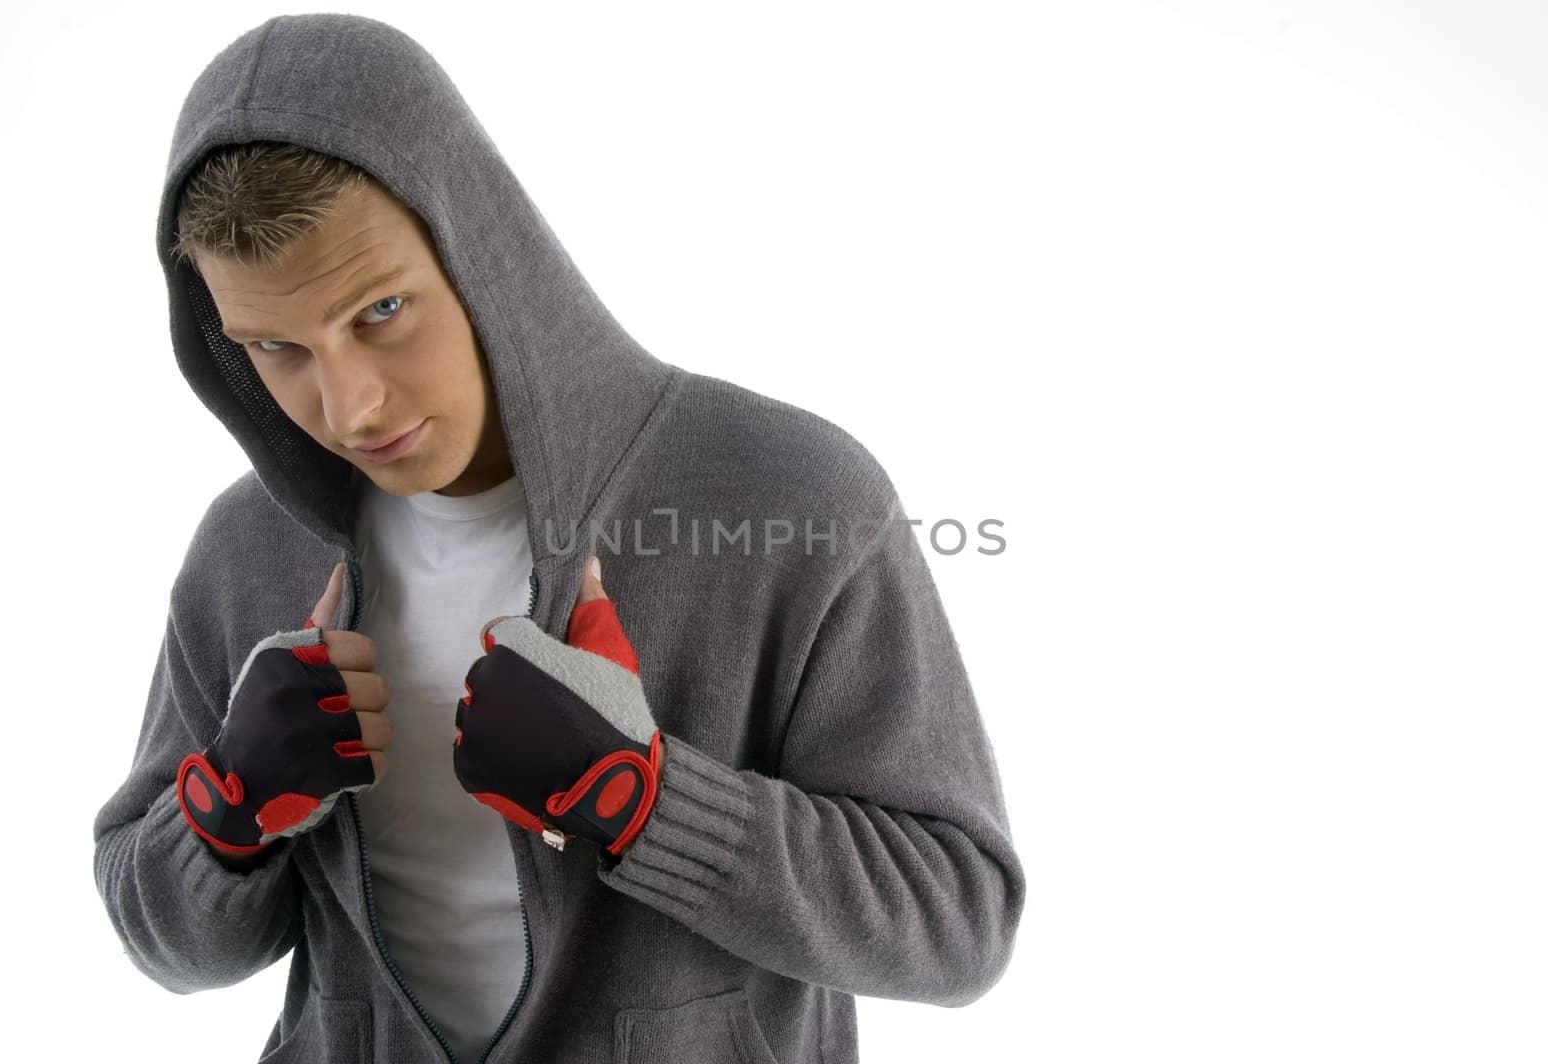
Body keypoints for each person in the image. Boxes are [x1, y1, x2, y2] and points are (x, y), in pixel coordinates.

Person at [91, 13, 1025, 1064]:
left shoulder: (795, 493)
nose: (349, 406)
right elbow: (166, 947)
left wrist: (644, 796)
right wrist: (227, 803)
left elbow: (957, 921)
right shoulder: (247, 546)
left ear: (482, 249)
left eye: (382, 309)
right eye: (276, 348)